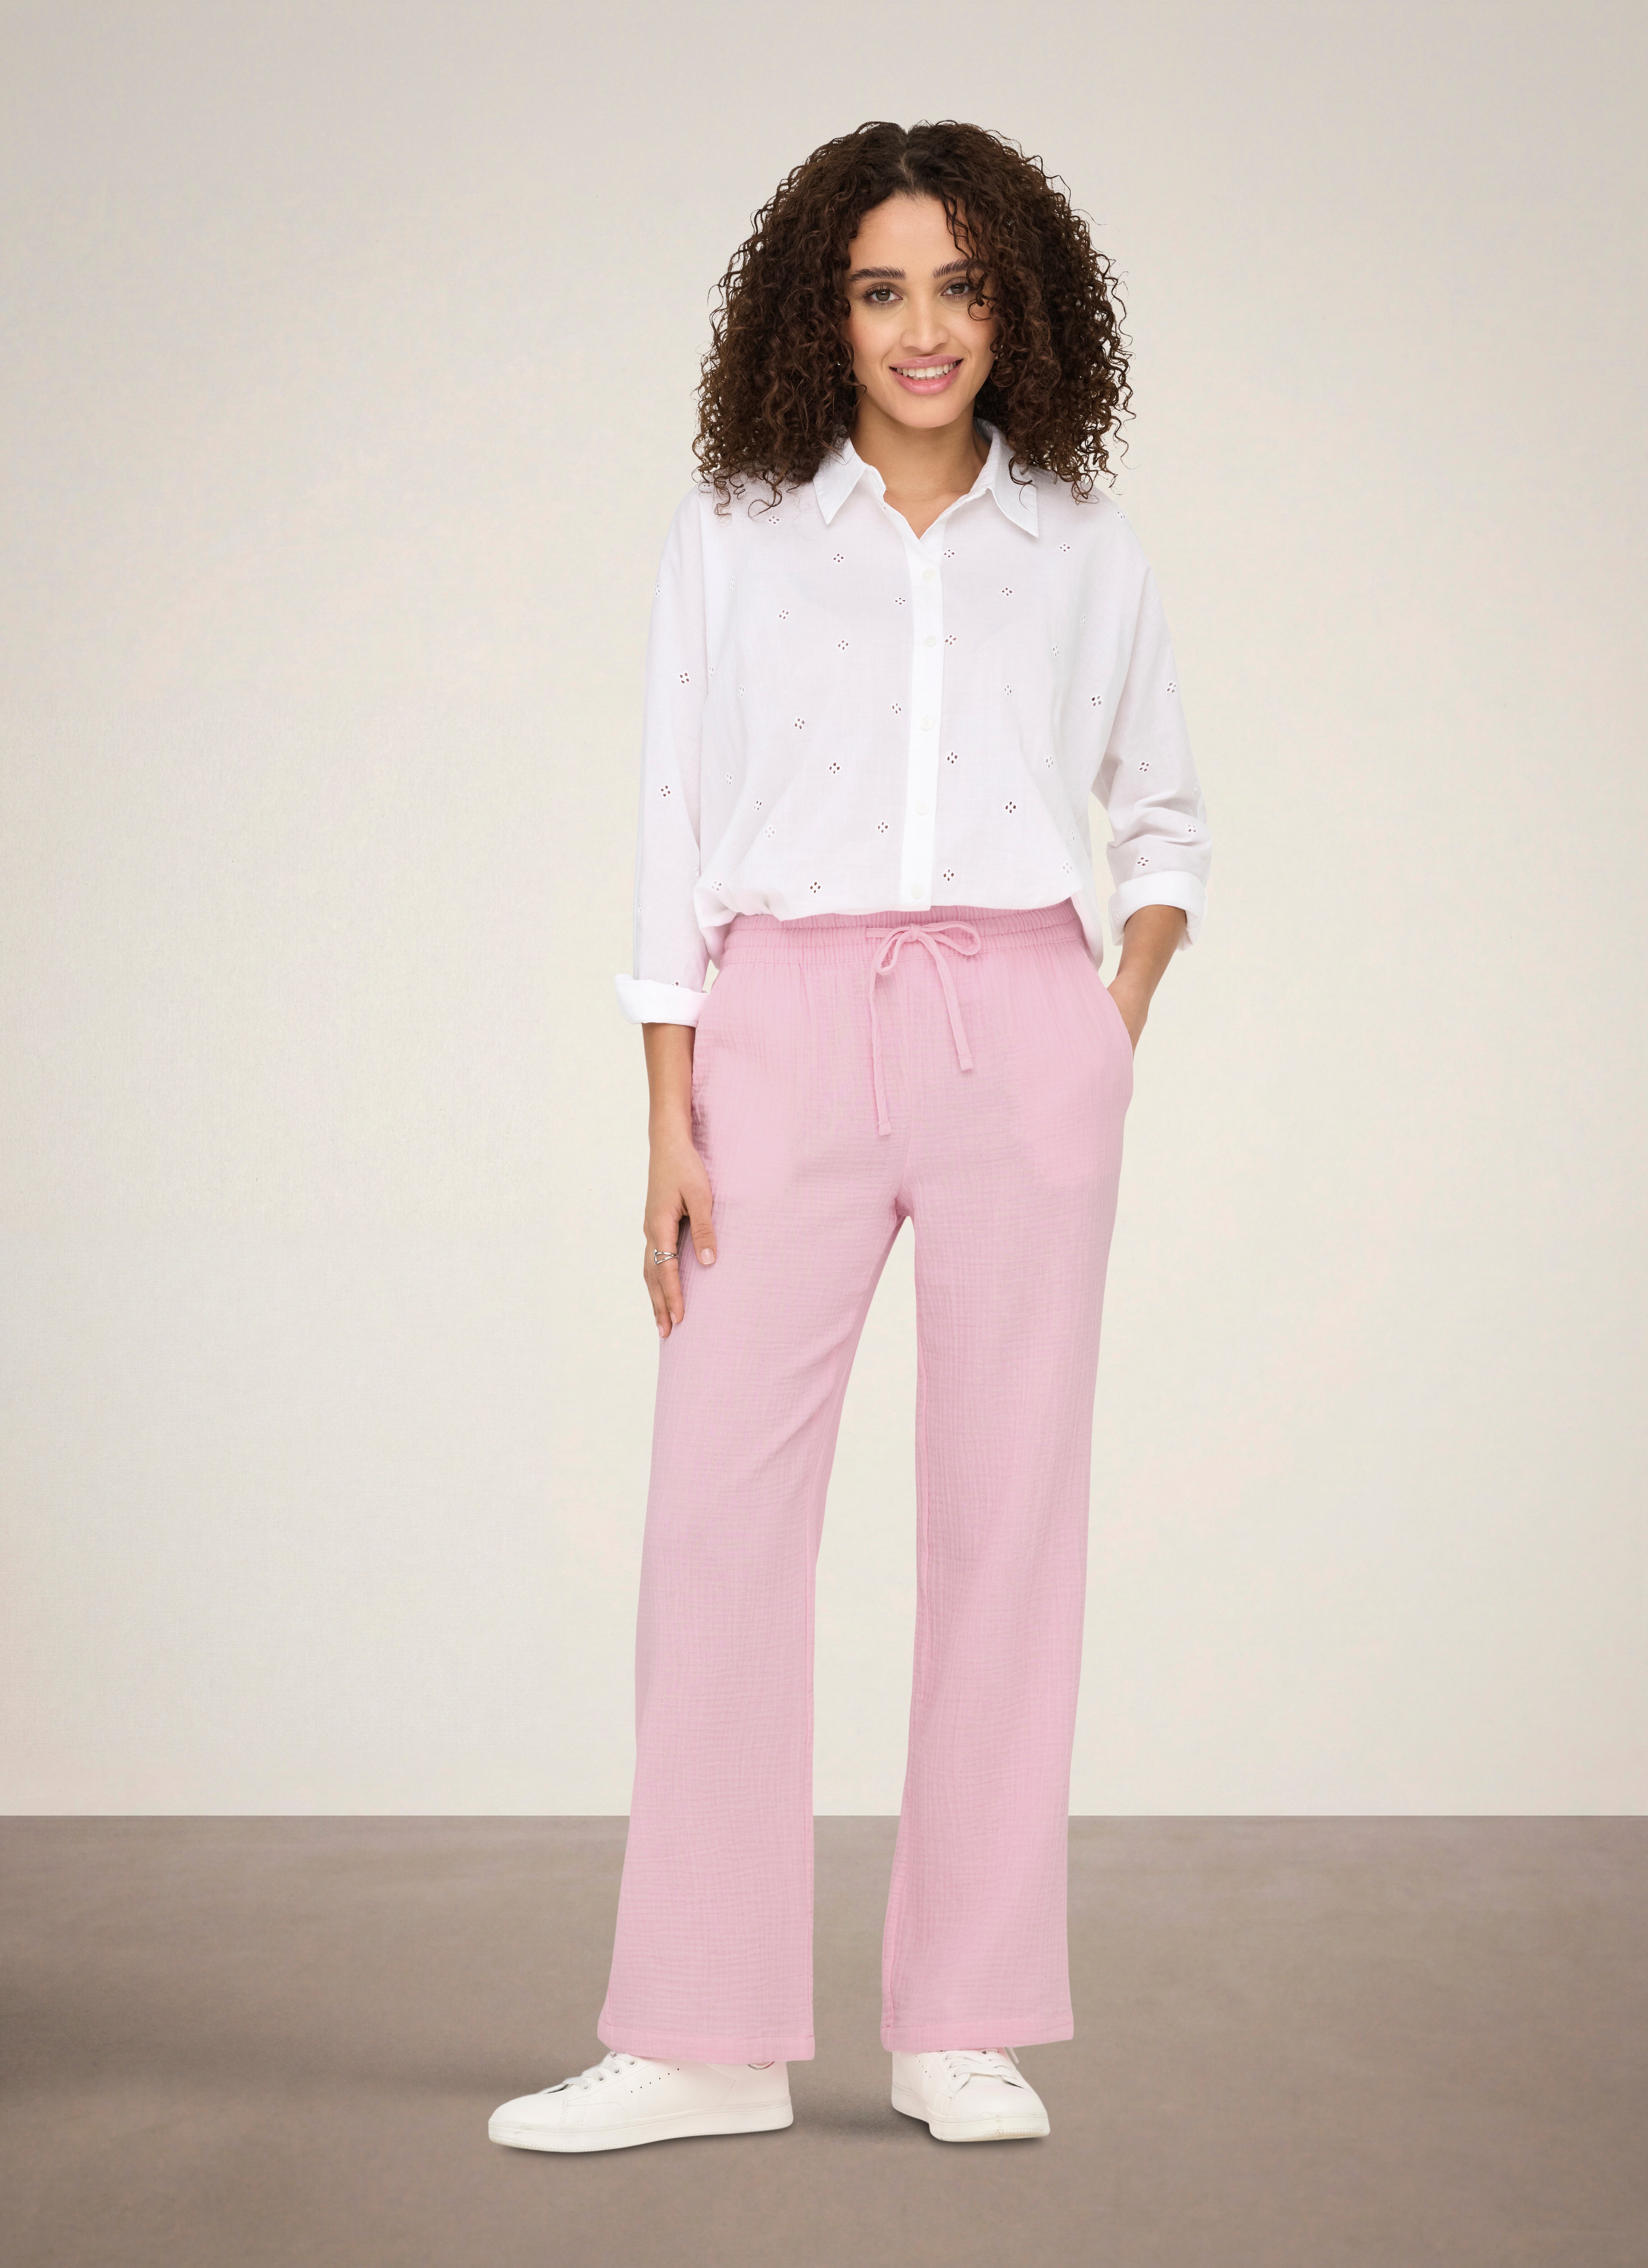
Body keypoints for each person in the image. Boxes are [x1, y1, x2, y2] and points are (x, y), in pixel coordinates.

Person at [490, 117, 1210, 2156]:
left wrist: (1104, 1024)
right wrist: (668, 1114)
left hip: (1020, 1028)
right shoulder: (733, 530)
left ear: (1018, 310)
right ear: (823, 312)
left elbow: (1164, 820)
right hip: (783, 1032)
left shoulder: (1082, 545)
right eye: (883, 289)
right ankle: (701, 2039)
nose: (923, 330)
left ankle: (963, 2023)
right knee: (719, 1526)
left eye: (961, 288)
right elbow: (667, 826)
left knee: (1011, 1527)